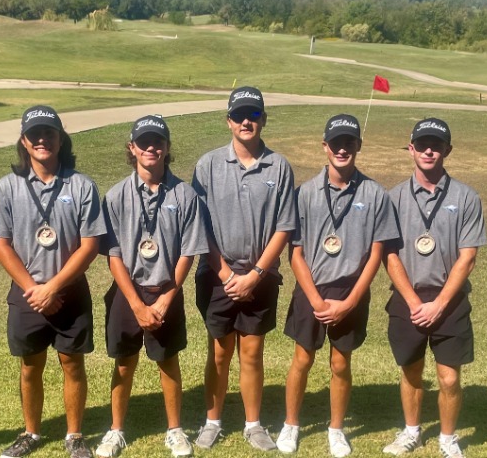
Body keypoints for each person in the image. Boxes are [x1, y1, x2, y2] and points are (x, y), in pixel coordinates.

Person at [278, 114, 399, 457]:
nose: (342, 149)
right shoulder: (304, 194)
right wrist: (316, 299)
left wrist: (350, 302)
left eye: (349, 142)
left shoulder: (375, 194)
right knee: (302, 359)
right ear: (324, 147)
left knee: (341, 363)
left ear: (359, 146)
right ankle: (291, 424)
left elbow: (376, 254)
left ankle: (336, 428)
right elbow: (296, 253)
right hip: (311, 289)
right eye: (336, 143)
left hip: (351, 291)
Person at [0, 106, 106, 458]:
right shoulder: (7, 187)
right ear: (24, 142)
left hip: (69, 293)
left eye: (49, 134)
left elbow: (91, 245)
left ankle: (74, 436)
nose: (43, 140)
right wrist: (35, 290)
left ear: (61, 139)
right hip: (27, 293)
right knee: (30, 365)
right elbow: (0, 243)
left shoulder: (82, 185)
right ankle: (31, 433)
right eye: (35, 135)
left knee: (72, 363)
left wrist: (53, 287)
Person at [191, 86, 296, 451]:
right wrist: (224, 274)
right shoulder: (208, 165)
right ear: (228, 121)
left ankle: (253, 425)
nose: (246, 121)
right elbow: (199, 228)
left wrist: (255, 276)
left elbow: (284, 227)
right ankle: (213, 421)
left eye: (253, 114)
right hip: (217, 273)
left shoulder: (279, 166)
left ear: (264, 120)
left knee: (252, 353)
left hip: (261, 276)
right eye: (239, 115)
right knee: (219, 351)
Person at [98, 115, 208, 458]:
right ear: (132, 148)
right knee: (124, 362)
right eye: (144, 142)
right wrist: (136, 303)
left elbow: (188, 253)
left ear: (167, 148)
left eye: (158, 141)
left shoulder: (186, 195)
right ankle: (116, 430)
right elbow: (113, 255)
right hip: (127, 292)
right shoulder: (116, 196)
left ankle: (175, 430)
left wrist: (164, 300)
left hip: (166, 290)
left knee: (167, 361)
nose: (151, 147)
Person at [382, 118, 487, 458]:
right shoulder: (393, 197)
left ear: (447, 151)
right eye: (423, 143)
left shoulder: (466, 197)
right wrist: (414, 302)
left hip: (449, 301)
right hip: (407, 298)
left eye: (437, 145)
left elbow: (467, 258)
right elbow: (389, 254)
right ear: (411, 148)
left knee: (449, 379)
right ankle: (411, 431)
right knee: (411, 372)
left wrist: (439, 305)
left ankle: (447, 438)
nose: (430, 150)